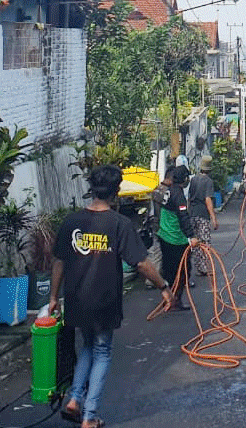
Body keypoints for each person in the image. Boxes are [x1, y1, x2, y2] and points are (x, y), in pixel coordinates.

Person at [49, 165, 175, 428]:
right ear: (116, 192)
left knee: (87, 345)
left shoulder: (72, 222)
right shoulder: (119, 224)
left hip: (76, 298)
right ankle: (90, 415)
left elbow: (59, 261)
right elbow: (141, 263)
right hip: (104, 299)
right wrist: (163, 286)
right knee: (102, 351)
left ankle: (74, 400)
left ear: (91, 189)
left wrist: (53, 297)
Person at [157, 166, 199, 310]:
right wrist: (191, 236)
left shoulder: (167, 190)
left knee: (168, 270)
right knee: (183, 271)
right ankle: (175, 301)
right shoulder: (178, 195)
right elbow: (183, 217)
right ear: (185, 179)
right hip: (176, 239)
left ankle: (167, 298)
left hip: (163, 235)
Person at [188, 155, 219, 276]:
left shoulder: (194, 179)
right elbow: (208, 200)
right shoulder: (208, 181)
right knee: (205, 241)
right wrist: (213, 218)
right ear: (210, 169)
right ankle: (206, 267)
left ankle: (200, 267)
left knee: (196, 242)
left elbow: (189, 198)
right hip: (202, 215)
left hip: (193, 214)